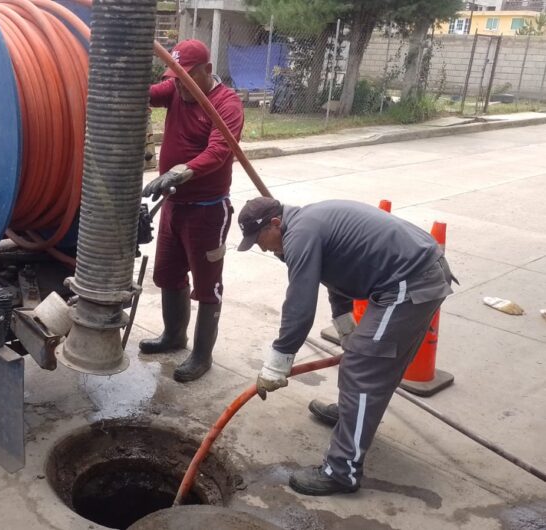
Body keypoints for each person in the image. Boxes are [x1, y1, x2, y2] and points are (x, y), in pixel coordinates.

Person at [235, 197, 454, 496]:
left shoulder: (300, 233)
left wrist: (278, 362)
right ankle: (352, 414)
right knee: (368, 360)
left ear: (275, 223)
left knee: (363, 368)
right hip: (413, 274)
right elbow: (336, 274)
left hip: (410, 281)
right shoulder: (305, 224)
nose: (263, 248)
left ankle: (341, 472)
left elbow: (300, 304)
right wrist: (345, 323)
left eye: (261, 240)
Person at [139, 39, 244, 383]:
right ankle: (174, 336)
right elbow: (147, 93)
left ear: (206, 71)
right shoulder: (175, 90)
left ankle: (202, 356)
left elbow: (218, 152)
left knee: (207, 284)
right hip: (174, 206)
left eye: (185, 77)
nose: (178, 84)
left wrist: (179, 172)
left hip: (208, 211)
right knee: (168, 274)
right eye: (175, 77)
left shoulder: (226, 104)